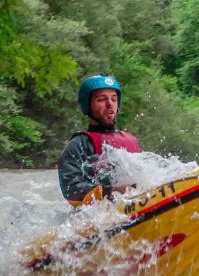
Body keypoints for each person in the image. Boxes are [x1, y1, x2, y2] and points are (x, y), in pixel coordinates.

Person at [58, 73, 142, 206]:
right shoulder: (78, 145)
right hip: (97, 216)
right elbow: (71, 190)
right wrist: (109, 191)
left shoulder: (131, 140)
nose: (110, 104)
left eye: (114, 99)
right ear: (88, 105)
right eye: (102, 99)